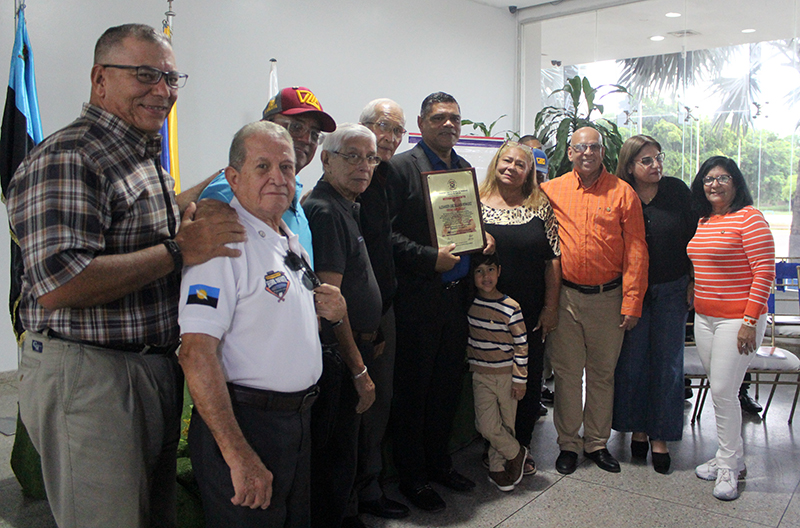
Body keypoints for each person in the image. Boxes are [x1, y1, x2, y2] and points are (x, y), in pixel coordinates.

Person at [7, 24, 247, 527]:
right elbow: (60, 283)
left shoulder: (137, 154)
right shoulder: (71, 156)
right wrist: (180, 250)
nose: (162, 90)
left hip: (145, 369)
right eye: (144, 75)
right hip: (92, 376)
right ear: (100, 79)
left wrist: (236, 175)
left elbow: (139, 227)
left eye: (171, 78)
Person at [178, 121, 347, 526]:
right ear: (233, 178)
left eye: (286, 167)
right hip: (246, 423)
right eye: (262, 166)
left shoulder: (286, 236)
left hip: (295, 421)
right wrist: (238, 454)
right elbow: (196, 354)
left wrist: (334, 309)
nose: (277, 177)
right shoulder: (224, 243)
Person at [386, 92, 478, 512]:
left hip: (456, 301)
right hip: (417, 301)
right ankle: (413, 478)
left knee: (445, 389)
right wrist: (428, 258)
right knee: (414, 392)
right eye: (439, 118)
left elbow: (466, 226)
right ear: (421, 124)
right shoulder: (399, 169)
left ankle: (440, 464)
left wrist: (482, 239)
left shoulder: (463, 169)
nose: (448, 125)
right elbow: (384, 235)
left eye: (455, 118)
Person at [541, 126, 648, 475]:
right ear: (569, 152)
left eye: (594, 147)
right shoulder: (550, 190)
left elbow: (636, 250)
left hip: (608, 298)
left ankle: (597, 443)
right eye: (581, 147)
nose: (587, 152)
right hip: (566, 297)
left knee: (602, 375)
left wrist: (632, 302)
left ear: (603, 152)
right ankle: (568, 444)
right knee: (567, 375)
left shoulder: (623, 193)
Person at [303, 124, 381, 528]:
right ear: (325, 159)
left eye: (370, 158)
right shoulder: (327, 210)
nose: (363, 166)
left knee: (346, 451)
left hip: (354, 347)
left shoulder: (347, 204)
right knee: (335, 458)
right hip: (338, 356)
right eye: (352, 156)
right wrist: (358, 369)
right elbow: (329, 301)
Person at [687, 156, 775, 501]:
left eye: (722, 178)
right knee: (721, 391)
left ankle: (728, 466)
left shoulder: (750, 218)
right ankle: (732, 457)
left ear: (736, 182)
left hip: (738, 320)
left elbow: (764, 273)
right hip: (705, 319)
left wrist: (749, 322)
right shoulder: (704, 220)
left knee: (724, 390)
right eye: (709, 179)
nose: (714, 184)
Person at [611, 135, 696, 474]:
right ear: (630, 166)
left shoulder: (677, 191)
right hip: (633, 291)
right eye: (646, 160)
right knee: (633, 362)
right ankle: (638, 429)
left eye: (658, 157)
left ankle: (660, 435)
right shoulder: (620, 193)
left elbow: (695, 237)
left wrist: (693, 280)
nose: (656, 165)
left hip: (672, 288)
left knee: (668, 364)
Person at [478, 141, 561, 476]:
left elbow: (553, 260)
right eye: (506, 161)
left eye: (520, 164)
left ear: (529, 172)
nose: (511, 168)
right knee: (490, 382)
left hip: (529, 310)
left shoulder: (540, 205)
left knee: (525, 378)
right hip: (485, 312)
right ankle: (496, 446)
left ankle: (521, 446)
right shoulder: (476, 203)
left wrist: (551, 307)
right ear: (496, 163)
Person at [348, 99, 410, 521]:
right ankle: (356, 496)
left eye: (397, 131)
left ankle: (367, 488)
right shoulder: (343, 191)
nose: (389, 138)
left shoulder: (384, 178)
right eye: (383, 127)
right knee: (362, 406)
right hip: (356, 319)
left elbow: (384, 246)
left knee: (379, 402)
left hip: (383, 308)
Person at [198, 86, 337, 262]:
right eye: (296, 127)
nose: (306, 139)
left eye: (315, 134)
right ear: (265, 126)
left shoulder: (292, 194)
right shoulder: (230, 191)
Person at [467, 252, 529, 492]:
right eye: (479, 271)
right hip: (480, 374)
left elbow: (521, 344)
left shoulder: (511, 307)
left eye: (490, 270)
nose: (486, 276)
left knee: (506, 425)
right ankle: (516, 452)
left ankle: (497, 468)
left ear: (499, 271)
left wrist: (520, 380)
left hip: (506, 376)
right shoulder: (470, 304)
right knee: (486, 425)